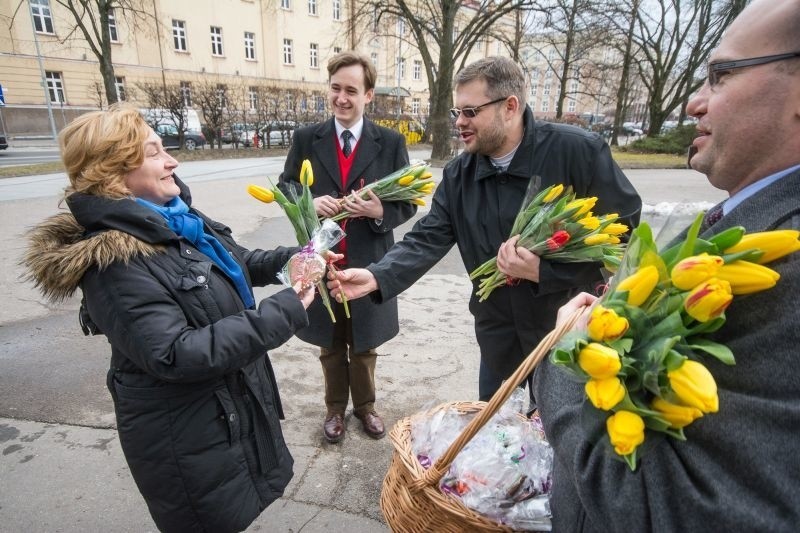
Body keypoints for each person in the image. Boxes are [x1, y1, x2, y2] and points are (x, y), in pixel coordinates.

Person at [536, 1, 800, 529]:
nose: (694, 102)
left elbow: (671, 508)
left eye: (721, 76)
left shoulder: (787, 269)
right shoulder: (751, 222)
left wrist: (566, 353)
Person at [23, 104, 316, 533]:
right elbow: (177, 354)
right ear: (113, 171)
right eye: (155, 152)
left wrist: (296, 261)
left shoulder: (175, 218)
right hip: (186, 432)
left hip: (222, 412)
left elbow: (234, 263)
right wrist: (287, 307)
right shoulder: (114, 262)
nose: (172, 160)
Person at [330, 56, 642, 402]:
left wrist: (546, 271)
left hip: (568, 335)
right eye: (456, 112)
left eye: (470, 112)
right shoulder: (459, 174)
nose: (459, 123)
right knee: (498, 439)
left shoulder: (577, 152)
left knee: (560, 444)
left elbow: (625, 234)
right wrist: (378, 276)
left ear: (510, 106)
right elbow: (427, 237)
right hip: (499, 341)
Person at [279, 51, 416, 443]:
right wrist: (309, 200)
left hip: (371, 259)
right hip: (323, 257)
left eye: (351, 91)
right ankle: (335, 410)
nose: (341, 97)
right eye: (336, 88)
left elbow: (407, 202)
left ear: (368, 95)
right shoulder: (307, 138)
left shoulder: (389, 142)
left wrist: (379, 211)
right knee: (330, 341)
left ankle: (366, 407)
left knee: (365, 342)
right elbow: (286, 186)